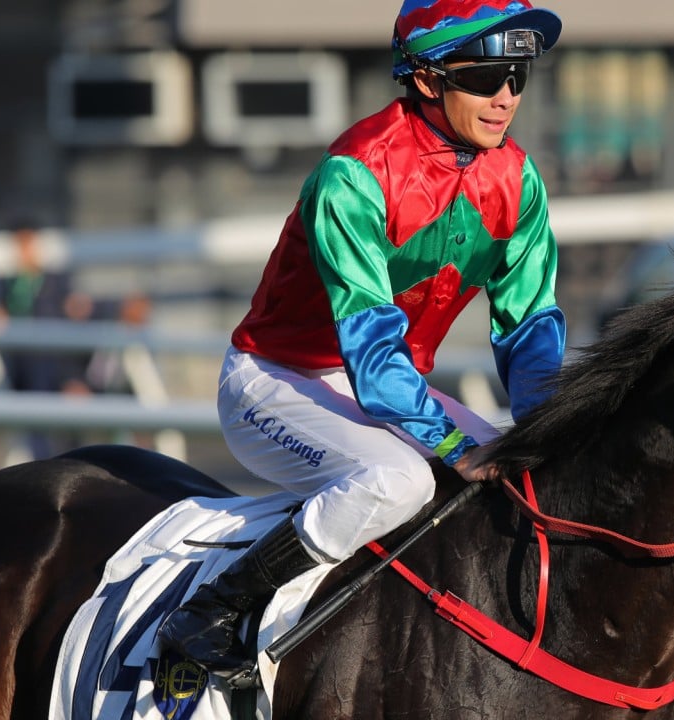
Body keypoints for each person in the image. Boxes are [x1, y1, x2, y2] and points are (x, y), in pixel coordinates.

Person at [157, 0, 567, 678]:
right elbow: (376, 360)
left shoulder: (517, 181)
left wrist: (554, 428)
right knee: (399, 480)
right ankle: (219, 605)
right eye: (488, 75)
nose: (507, 97)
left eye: (519, 75)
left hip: (384, 382)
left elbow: (528, 328)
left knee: (518, 481)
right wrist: (457, 445)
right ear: (429, 79)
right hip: (276, 379)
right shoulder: (354, 176)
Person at [0, 218, 94, 460]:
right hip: (24, 370)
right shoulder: (8, 283)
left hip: (55, 368)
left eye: (26, 244)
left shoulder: (57, 282)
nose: (22, 251)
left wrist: (74, 376)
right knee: (35, 437)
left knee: (68, 438)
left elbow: (75, 328)